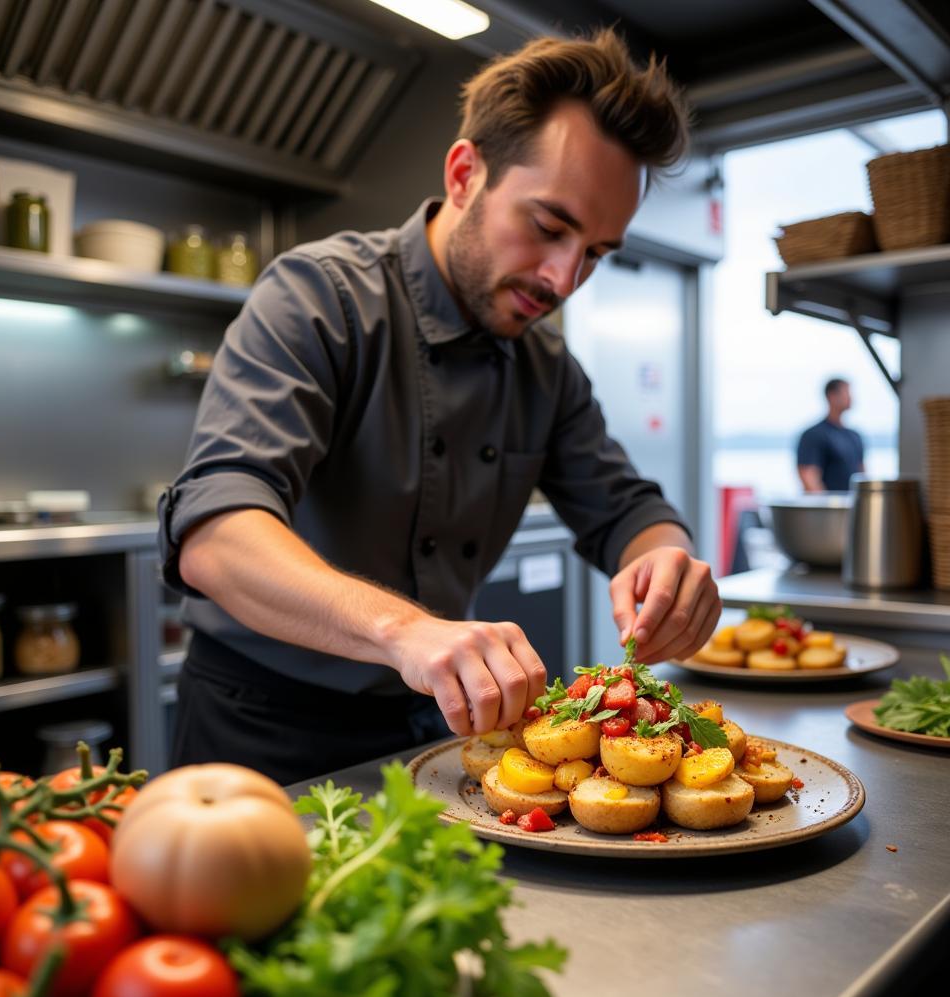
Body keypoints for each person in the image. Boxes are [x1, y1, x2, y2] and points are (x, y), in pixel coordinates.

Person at [158, 29, 722, 784]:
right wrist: (405, 631)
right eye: (549, 227)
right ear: (465, 175)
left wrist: (664, 562)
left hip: (433, 727)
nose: (563, 278)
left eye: (594, 252)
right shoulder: (319, 297)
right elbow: (216, 534)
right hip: (262, 727)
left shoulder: (546, 367)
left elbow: (623, 507)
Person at [796, 378, 865, 492]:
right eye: (846, 392)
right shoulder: (814, 435)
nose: (850, 397)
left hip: (852, 505)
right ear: (831, 396)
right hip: (829, 507)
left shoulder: (854, 436)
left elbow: (861, 475)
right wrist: (827, 506)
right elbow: (809, 478)